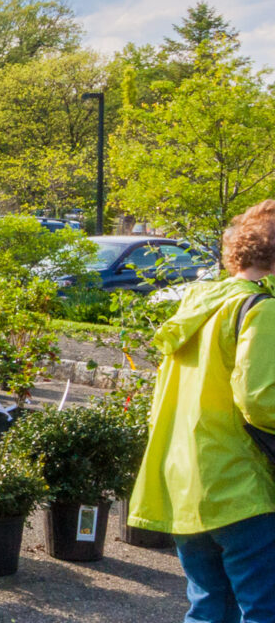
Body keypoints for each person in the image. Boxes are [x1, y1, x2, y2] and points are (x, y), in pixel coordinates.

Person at [128, 199, 275, 622]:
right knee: (262, 609)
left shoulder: (198, 308)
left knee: (209, 606)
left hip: (186, 486)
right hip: (241, 487)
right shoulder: (260, 311)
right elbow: (262, 400)